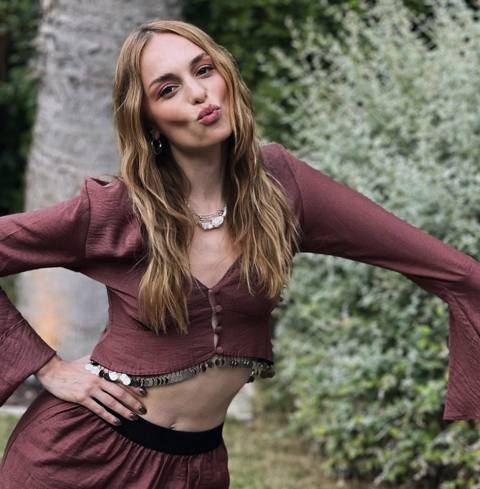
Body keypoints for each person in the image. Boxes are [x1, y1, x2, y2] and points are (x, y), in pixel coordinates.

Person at [0, 19, 479, 489]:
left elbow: (453, 272)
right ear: (148, 123)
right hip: (78, 456)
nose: (198, 93)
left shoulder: (283, 187)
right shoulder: (115, 210)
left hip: (197, 468)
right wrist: (48, 367)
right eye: (168, 89)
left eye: (203, 69)